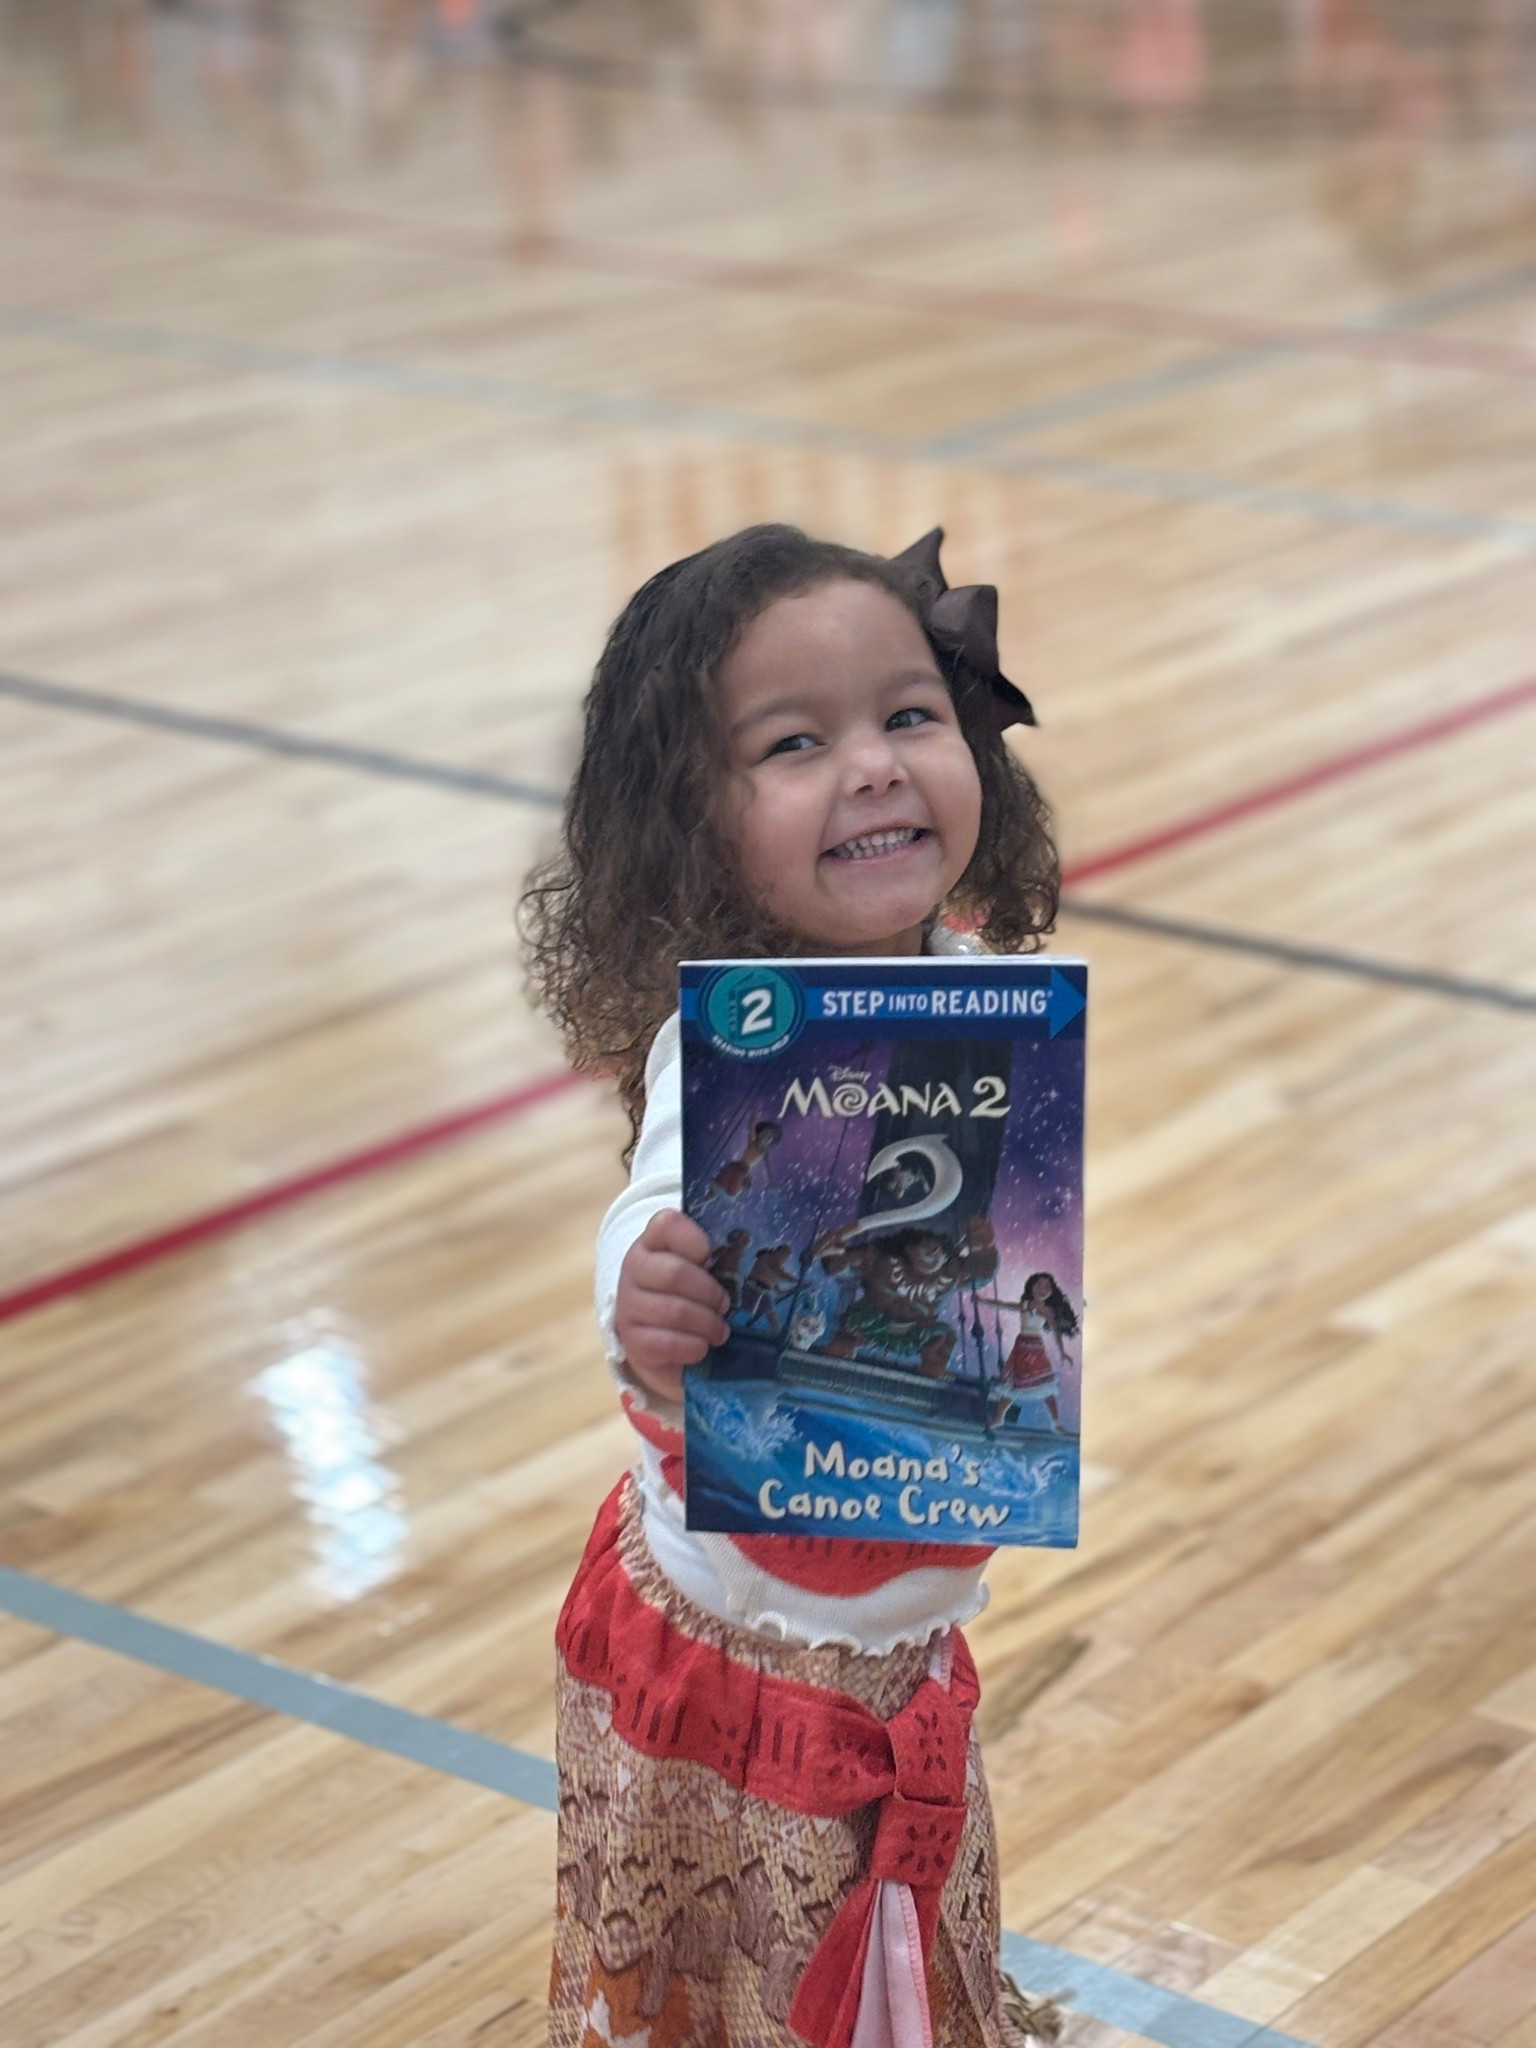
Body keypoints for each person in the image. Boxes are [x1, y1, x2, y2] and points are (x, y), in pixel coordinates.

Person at [520, 523, 1064, 2048]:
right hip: (744, 1659)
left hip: (897, 1634)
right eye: (795, 742)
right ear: (694, 821)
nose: (878, 766)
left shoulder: (980, 991)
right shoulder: (739, 1039)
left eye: (909, 715)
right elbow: (645, 1225)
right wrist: (650, 1317)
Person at [990, 1274, 1079, 1432]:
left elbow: (1055, 1331)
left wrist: (1062, 1351)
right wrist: (983, 1301)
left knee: (1045, 1385)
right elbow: (1003, 1305)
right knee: (1012, 1385)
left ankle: (1056, 1422)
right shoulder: (1025, 1305)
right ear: (1031, 1287)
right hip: (1021, 1347)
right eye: (1039, 1285)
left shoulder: (1047, 1310)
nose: (1042, 1289)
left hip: (1035, 1348)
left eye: (1047, 1287)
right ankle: (998, 1418)